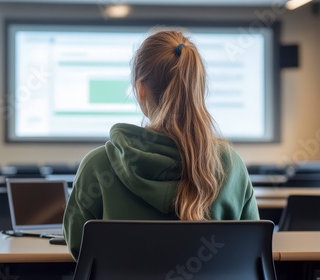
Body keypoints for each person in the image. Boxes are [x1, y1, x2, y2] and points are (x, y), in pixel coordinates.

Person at [63, 28, 259, 260]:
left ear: (140, 89)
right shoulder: (230, 164)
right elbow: (251, 249)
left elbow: (78, 246)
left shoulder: (98, 165)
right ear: (197, 88)